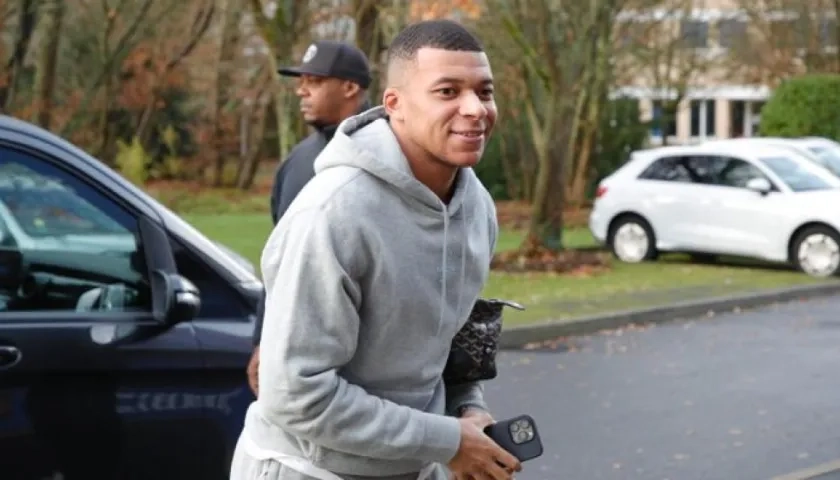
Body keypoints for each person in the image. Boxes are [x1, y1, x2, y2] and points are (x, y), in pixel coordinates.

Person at [230, 19, 522, 480]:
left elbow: (448, 341)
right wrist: (446, 441)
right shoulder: (332, 213)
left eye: (484, 92)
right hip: (307, 469)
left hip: (414, 466)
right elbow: (294, 395)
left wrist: (468, 412)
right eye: (447, 91)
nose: (475, 109)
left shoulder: (476, 207)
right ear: (395, 104)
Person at [247, 40, 373, 396]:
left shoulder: (390, 155)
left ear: (350, 87)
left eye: (314, 81)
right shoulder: (297, 162)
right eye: (300, 80)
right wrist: (262, 340)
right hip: (300, 358)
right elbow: (278, 259)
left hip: (372, 358)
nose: (301, 90)